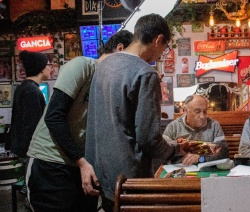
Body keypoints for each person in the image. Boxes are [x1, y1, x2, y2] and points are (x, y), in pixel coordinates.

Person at [85, 14, 188, 212]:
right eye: (164, 48)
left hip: (102, 171)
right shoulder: (145, 72)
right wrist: (174, 151)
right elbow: (148, 138)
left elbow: (95, 120)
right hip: (130, 178)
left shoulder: (104, 65)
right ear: (158, 40)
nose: (161, 55)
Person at [26, 30, 133, 212]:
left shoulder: (112, 84)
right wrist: (82, 162)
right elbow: (54, 116)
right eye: (133, 62)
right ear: (119, 49)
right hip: (52, 164)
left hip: (81, 166)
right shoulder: (83, 66)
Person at [10, 50, 51, 197]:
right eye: (48, 65)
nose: (50, 68)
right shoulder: (32, 92)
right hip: (30, 150)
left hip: (25, 148)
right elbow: (32, 126)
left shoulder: (25, 88)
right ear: (40, 68)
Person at [162, 94, 228, 165]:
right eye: (197, 111)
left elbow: (223, 154)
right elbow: (162, 153)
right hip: (179, 171)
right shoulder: (173, 127)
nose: (202, 116)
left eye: (205, 111)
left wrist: (200, 158)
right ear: (185, 111)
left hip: (207, 171)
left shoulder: (214, 126)